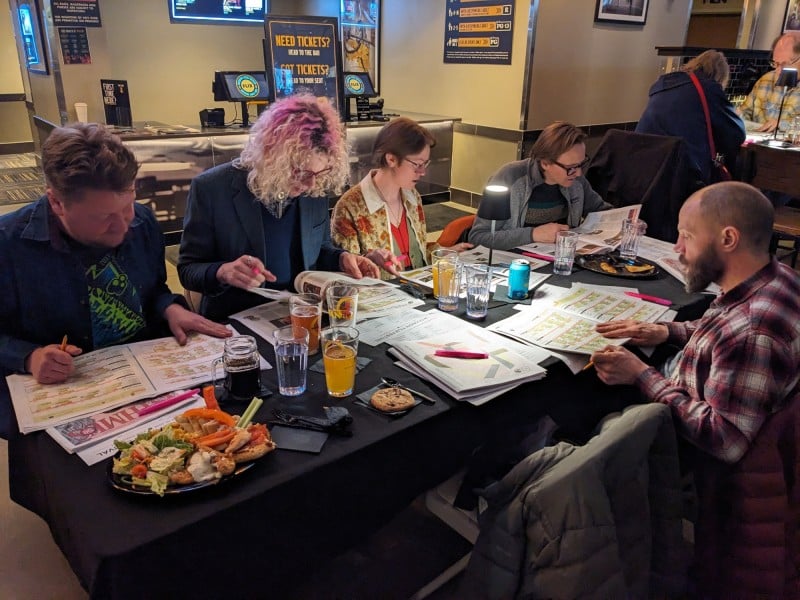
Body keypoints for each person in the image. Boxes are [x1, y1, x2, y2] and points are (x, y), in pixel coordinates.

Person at [0, 123, 230, 439]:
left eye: (127, 206)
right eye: (103, 217)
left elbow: (152, 291)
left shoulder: (142, 221)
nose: (123, 226)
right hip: (67, 393)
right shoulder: (8, 245)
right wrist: (28, 357)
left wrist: (168, 308)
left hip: (146, 378)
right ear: (56, 203)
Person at [591, 181, 800, 465]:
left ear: (728, 239)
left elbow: (725, 441)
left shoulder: (754, 331)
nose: (678, 248)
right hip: (685, 380)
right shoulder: (776, 276)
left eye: (686, 236)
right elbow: (723, 325)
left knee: (575, 397)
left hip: (683, 445)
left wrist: (641, 376)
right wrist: (665, 331)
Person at [178, 94, 379, 320]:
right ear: (272, 157)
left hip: (302, 314)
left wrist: (341, 258)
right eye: (300, 172)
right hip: (238, 320)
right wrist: (222, 271)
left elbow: (319, 248)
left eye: (319, 173)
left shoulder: (313, 186)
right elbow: (188, 269)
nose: (311, 184)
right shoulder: (212, 188)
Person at [330, 117, 472, 278]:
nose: (422, 172)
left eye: (425, 164)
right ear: (391, 159)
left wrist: (442, 252)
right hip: (383, 297)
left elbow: (415, 253)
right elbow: (346, 271)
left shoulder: (412, 197)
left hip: (420, 289)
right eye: (417, 164)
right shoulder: (351, 207)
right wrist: (370, 259)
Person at [468, 121, 610, 250]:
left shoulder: (576, 181)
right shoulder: (509, 177)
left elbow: (602, 212)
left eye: (581, 164)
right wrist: (534, 234)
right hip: (516, 263)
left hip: (560, 259)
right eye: (571, 167)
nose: (578, 173)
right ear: (545, 163)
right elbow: (479, 237)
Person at [635, 50, 745, 184]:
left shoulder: (663, 85)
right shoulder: (708, 89)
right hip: (682, 172)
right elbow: (736, 134)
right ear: (720, 76)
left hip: (643, 163)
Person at [738, 32, 800, 133]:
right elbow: (746, 112)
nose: (778, 71)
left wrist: (782, 125)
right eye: (775, 63)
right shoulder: (766, 80)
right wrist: (736, 116)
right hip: (757, 146)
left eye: (784, 64)